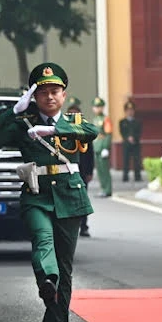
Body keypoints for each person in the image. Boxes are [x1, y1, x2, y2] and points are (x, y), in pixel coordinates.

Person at [0, 63, 97, 322]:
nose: (49, 97)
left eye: (54, 91)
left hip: (70, 199)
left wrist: (55, 127)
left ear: (64, 94)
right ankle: (48, 279)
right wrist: (13, 111)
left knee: (66, 270)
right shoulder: (24, 124)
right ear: (34, 96)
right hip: (36, 195)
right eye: (43, 92)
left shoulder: (76, 121)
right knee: (43, 242)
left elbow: (91, 131)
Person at [66, 97, 95, 237]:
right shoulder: (61, 131)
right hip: (67, 172)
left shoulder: (85, 131)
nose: (73, 117)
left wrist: (90, 171)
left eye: (76, 114)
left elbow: (90, 154)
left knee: (82, 201)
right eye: (70, 114)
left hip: (82, 172)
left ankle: (84, 226)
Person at [91, 97, 112, 197]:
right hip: (96, 146)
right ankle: (103, 188)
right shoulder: (95, 119)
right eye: (95, 107)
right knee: (99, 170)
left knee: (105, 170)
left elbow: (108, 135)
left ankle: (107, 189)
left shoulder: (105, 119)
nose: (97, 109)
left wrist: (106, 148)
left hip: (102, 146)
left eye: (99, 107)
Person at [119, 99, 143, 182]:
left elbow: (139, 132)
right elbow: (122, 132)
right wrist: (128, 138)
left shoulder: (137, 121)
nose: (130, 112)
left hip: (136, 144)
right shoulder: (122, 122)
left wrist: (134, 138)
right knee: (126, 161)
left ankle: (137, 176)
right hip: (126, 144)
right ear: (125, 111)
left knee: (137, 161)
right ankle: (125, 176)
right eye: (128, 110)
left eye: (131, 110)